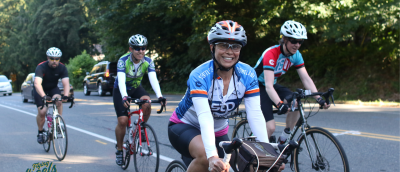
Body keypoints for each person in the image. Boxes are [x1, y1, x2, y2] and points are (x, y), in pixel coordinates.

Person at [168, 20, 282, 172]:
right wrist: (212, 156)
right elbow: (204, 115)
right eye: (223, 45)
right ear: (212, 47)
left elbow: (254, 113)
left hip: (218, 131)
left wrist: (267, 153)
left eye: (235, 46)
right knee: (205, 157)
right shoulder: (200, 75)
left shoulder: (248, 74)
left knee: (248, 163)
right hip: (185, 125)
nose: (229, 52)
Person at [254, 20, 330, 142]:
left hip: (272, 85)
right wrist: (279, 104)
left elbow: (305, 78)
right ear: (284, 39)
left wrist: (319, 98)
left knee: (295, 101)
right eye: (293, 41)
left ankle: (284, 138)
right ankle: (255, 153)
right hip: (257, 86)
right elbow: (268, 86)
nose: (297, 45)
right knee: (270, 128)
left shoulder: (296, 55)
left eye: (300, 42)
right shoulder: (271, 54)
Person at [114, 34, 166, 166]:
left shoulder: (148, 61)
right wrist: (125, 96)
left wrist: (160, 96)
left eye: (143, 48)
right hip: (121, 90)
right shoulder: (123, 60)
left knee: (147, 103)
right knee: (123, 121)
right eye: (137, 48)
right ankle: (120, 150)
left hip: (136, 88)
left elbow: (153, 78)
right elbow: (121, 80)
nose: (141, 51)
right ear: (131, 49)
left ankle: (141, 126)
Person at [34, 47, 71, 144]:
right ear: (47, 58)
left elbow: (66, 83)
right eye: (52, 59)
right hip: (40, 89)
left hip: (52, 88)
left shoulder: (62, 67)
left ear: (59, 59)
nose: (54, 61)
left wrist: (66, 95)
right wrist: (43, 96)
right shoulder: (41, 67)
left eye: (57, 59)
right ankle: (40, 132)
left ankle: (58, 122)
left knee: (58, 100)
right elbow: (37, 83)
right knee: (42, 112)